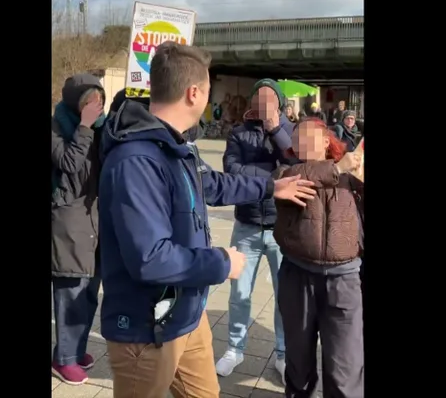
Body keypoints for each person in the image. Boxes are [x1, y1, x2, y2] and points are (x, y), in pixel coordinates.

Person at [97, 42, 317, 398]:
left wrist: (270, 187)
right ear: (194, 93)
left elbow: (213, 184)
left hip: (188, 314)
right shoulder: (136, 160)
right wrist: (222, 262)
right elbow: (150, 258)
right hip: (147, 329)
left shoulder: (176, 147)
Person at [273, 118, 363, 398]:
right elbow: (296, 180)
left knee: (345, 365)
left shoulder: (351, 176)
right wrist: (337, 168)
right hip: (298, 277)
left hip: (345, 281)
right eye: (295, 140)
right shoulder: (287, 174)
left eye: (306, 137)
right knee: (298, 362)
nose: (299, 144)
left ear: (326, 141)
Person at [216, 79, 296, 380]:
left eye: (269, 98)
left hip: (282, 228)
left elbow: (297, 164)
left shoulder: (291, 132)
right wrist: (274, 179)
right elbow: (232, 172)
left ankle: (283, 353)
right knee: (239, 293)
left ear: (279, 102)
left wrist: (276, 130)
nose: (263, 104)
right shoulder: (238, 133)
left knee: (284, 295)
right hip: (246, 224)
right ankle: (234, 349)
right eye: (258, 98)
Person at [51, 74, 107, 385]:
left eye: (99, 101)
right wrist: (85, 126)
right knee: (70, 292)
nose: (95, 108)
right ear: (76, 102)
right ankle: (63, 360)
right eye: (89, 102)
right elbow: (69, 163)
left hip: (96, 219)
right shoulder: (57, 126)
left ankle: (76, 350)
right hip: (68, 220)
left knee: (88, 293)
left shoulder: (102, 129)